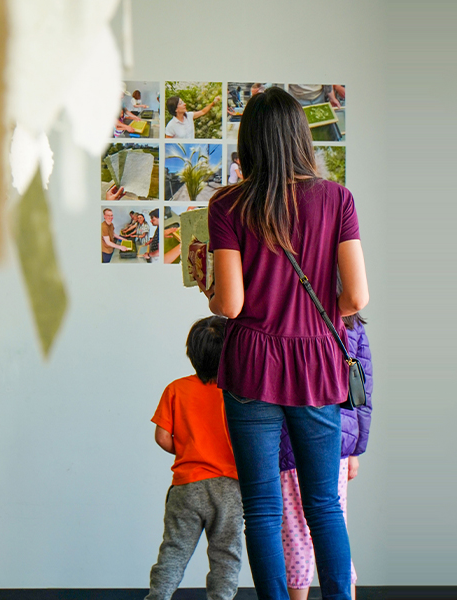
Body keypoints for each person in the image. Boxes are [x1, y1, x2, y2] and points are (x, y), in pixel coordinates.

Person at [192, 86, 368, 600]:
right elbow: (356, 296)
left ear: (248, 142)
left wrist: (209, 288)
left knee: (263, 507)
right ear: (300, 138)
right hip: (317, 365)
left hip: (251, 366)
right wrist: (314, 323)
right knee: (324, 505)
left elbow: (231, 306)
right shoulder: (337, 198)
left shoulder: (227, 202)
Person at [146, 316, 243, 600]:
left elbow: (163, 437)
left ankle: (158, 596)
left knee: (174, 551)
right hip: (229, 488)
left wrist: (190, 450)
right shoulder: (237, 394)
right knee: (226, 555)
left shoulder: (176, 389)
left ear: (192, 353)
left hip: (187, 486)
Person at [279, 310, 373, 600]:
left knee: (296, 535)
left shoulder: (289, 317)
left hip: (290, 443)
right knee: (334, 525)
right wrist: (355, 449)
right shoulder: (351, 324)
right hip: (339, 444)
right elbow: (362, 388)